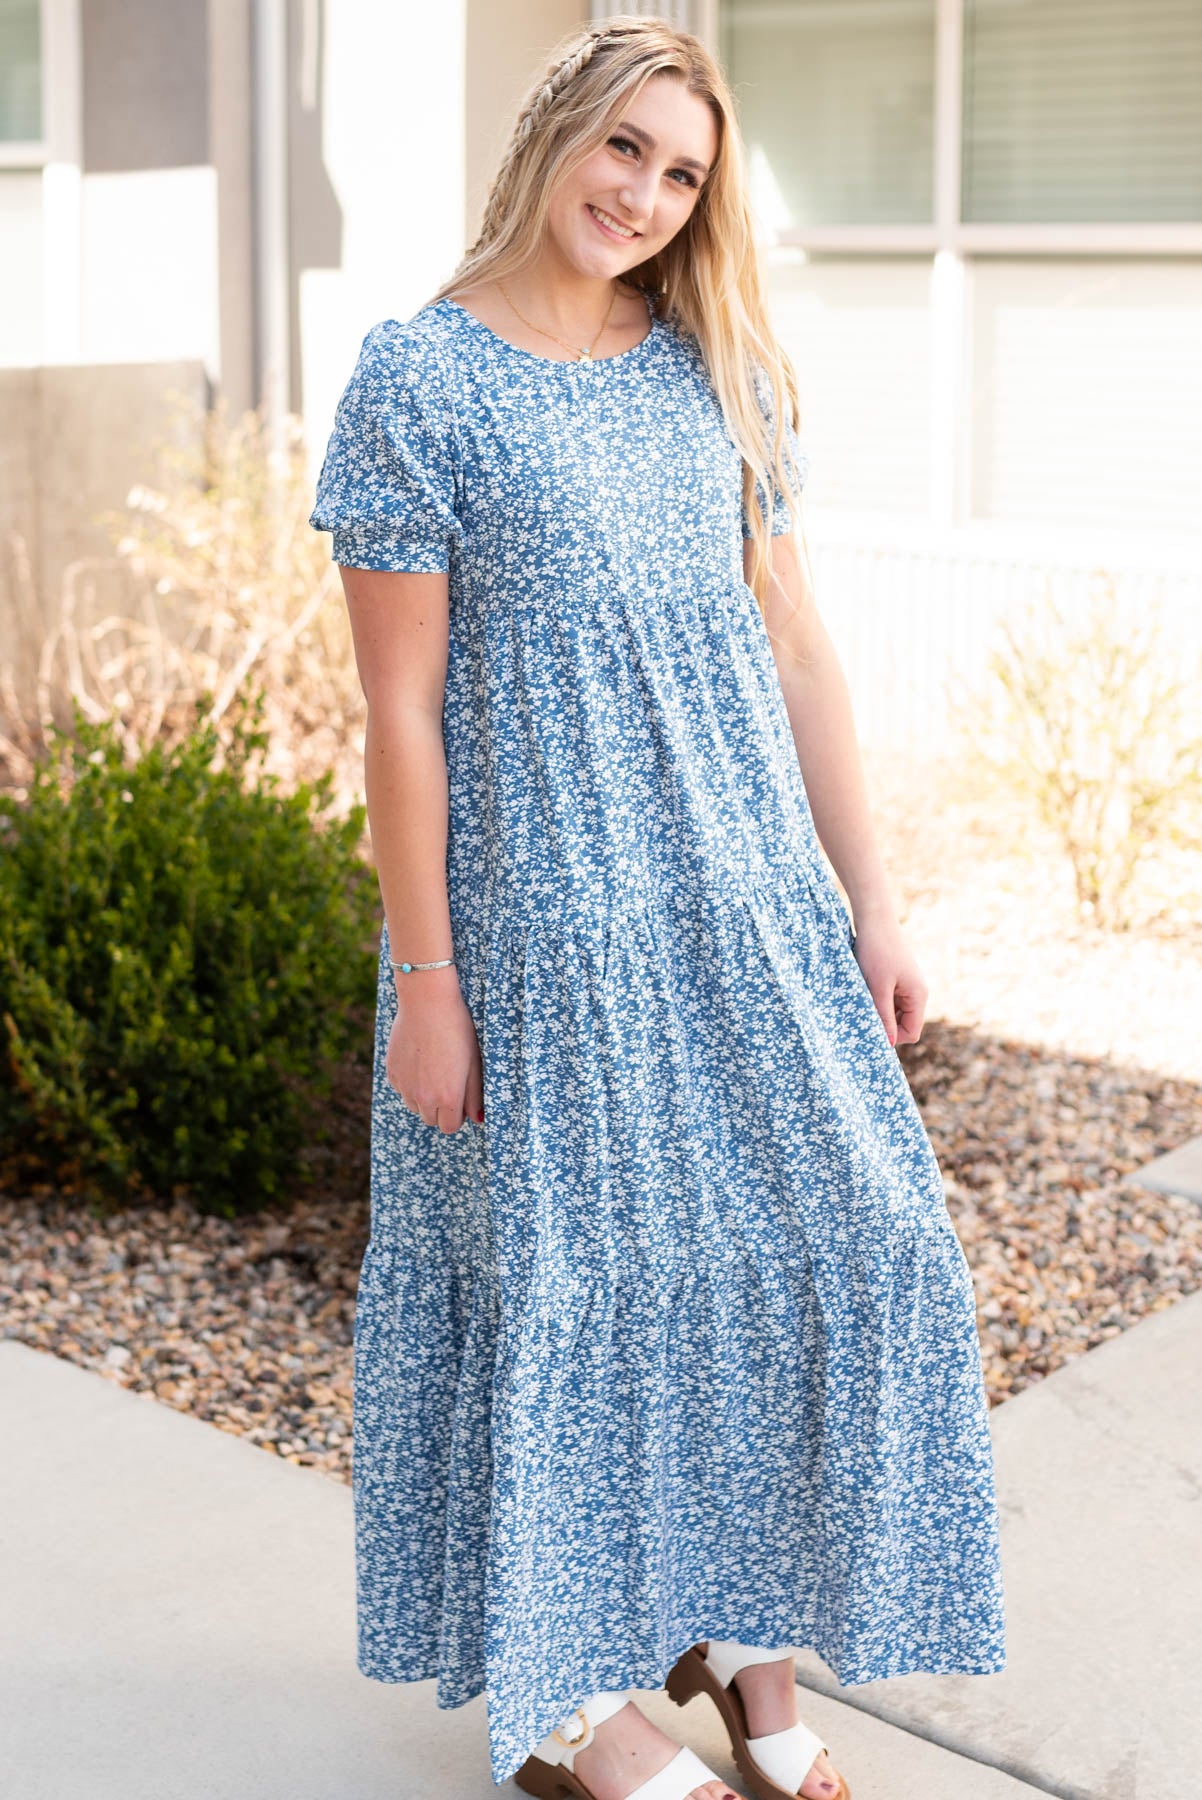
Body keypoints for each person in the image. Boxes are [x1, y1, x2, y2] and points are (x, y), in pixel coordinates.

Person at [308, 17, 1006, 1800]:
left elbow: (794, 642)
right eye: (622, 147)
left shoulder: (712, 363)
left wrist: (871, 902)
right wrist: (426, 977)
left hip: (742, 899)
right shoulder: (420, 378)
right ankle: (575, 1709)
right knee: (571, 1292)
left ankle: (748, 1659)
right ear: (554, 133)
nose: (642, 194)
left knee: (841, 1240)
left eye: (681, 170)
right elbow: (398, 710)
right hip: (540, 927)